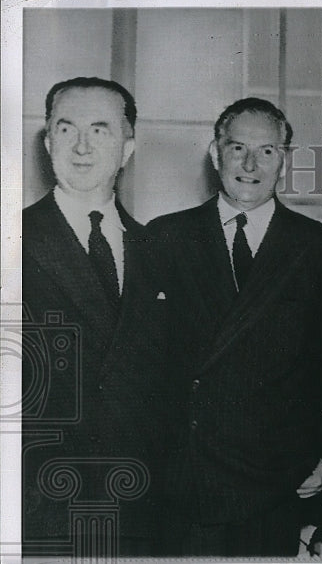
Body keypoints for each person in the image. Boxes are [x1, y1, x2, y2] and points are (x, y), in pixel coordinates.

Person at [147, 98, 322, 556]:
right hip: (186, 483)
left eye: (267, 151)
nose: (251, 164)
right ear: (216, 154)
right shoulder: (164, 239)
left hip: (278, 480)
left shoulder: (319, 248)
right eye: (237, 148)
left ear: (284, 160)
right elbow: (142, 364)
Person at [21, 77, 168, 556]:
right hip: (38, 511)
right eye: (66, 130)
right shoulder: (12, 240)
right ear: (47, 144)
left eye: (101, 130)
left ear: (128, 147)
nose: (82, 145)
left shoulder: (161, 251)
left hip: (142, 511)